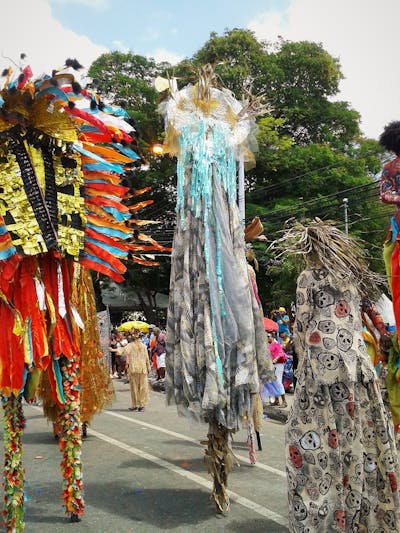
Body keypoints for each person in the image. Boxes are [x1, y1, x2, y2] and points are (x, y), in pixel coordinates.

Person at [280, 219, 399, 532]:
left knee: (317, 439)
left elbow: (303, 323)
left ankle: (326, 512)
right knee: (359, 433)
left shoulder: (308, 276)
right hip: (357, 366)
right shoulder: (350, 277)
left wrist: (301, 363)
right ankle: (365, 509)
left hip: (322, 367)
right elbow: (365, 316)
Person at [117, 328, 151, 412]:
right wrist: (148, 367)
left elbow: (121, 351)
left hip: (134, 369)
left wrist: (113, 349)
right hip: (142, 369)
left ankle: (136, 405)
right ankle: (141, 405)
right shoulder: (143, 346)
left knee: (135, 387)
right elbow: (147, 358)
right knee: (142, 387)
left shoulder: (131, 345)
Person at [267, 333, 287, 407]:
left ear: (273, 337)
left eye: (268, 336)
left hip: (278, 365)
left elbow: (281, 353)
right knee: (273, 382)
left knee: (278, 382)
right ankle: (277, 400)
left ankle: (284, 401)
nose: (267, 338)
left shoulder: (276, 344)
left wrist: (276, 359)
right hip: (272, 365)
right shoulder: (268, 345)